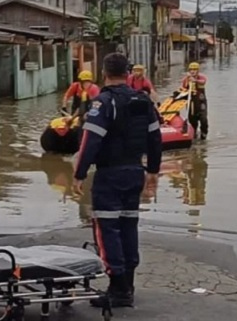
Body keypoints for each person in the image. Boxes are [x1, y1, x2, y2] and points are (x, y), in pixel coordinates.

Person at [72, 53, 162, 308]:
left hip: (110, 174)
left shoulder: (104, 102)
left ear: (104, 72)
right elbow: (155, 139)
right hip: (135, 171)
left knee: (107, 228)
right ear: (128, 72)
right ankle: (127, 285)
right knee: (128, 226)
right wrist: (153, 171)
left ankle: (119, 288)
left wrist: (79, 173)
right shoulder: (143, 101)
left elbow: (90, 141)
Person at [179, 62, 209, 140]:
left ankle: (204, 134)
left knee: (203, 119)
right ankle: (194, 134)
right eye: (191, 70)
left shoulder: (201, 77)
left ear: (198, 70)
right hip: (191, 103)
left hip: (201, 103)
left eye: (195, 69)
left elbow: (203, 81)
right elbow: (182, 88)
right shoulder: (186, 79)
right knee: (192, 121)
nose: (192, 71)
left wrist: (195, 80)